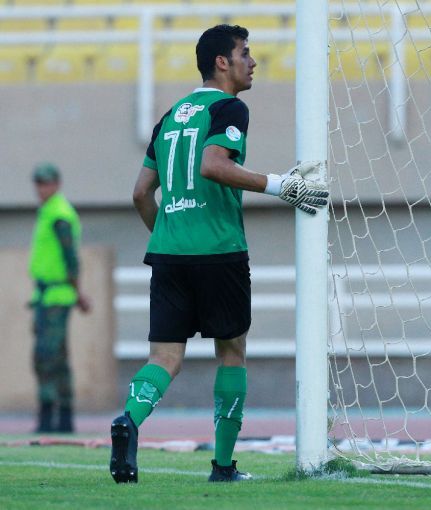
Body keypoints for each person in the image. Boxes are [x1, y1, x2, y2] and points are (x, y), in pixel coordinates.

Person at [109, 24, 328, 484]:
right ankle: (224, 467)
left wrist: (170, 233)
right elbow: (213, 165)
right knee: (231, 353)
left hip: (168, 254)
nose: (253, 62)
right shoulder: (229, 108)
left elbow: (140, 194)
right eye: (245, 53)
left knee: (164, 357)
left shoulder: (170, 116)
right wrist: (280, 185)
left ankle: (128, 419)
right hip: (219, 251)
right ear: (222, 62)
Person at [28, 162, 91, 433]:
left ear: (56, 184)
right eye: (39, 183)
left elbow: (71, 258)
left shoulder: (58, 214)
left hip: (56, 295)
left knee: (45, 356)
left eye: (46, 183)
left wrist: (78, 292)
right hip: (47, 295)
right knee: (58, 357)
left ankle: (48, 417)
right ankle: (64, 418)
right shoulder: (49, 211)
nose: (41, 188)